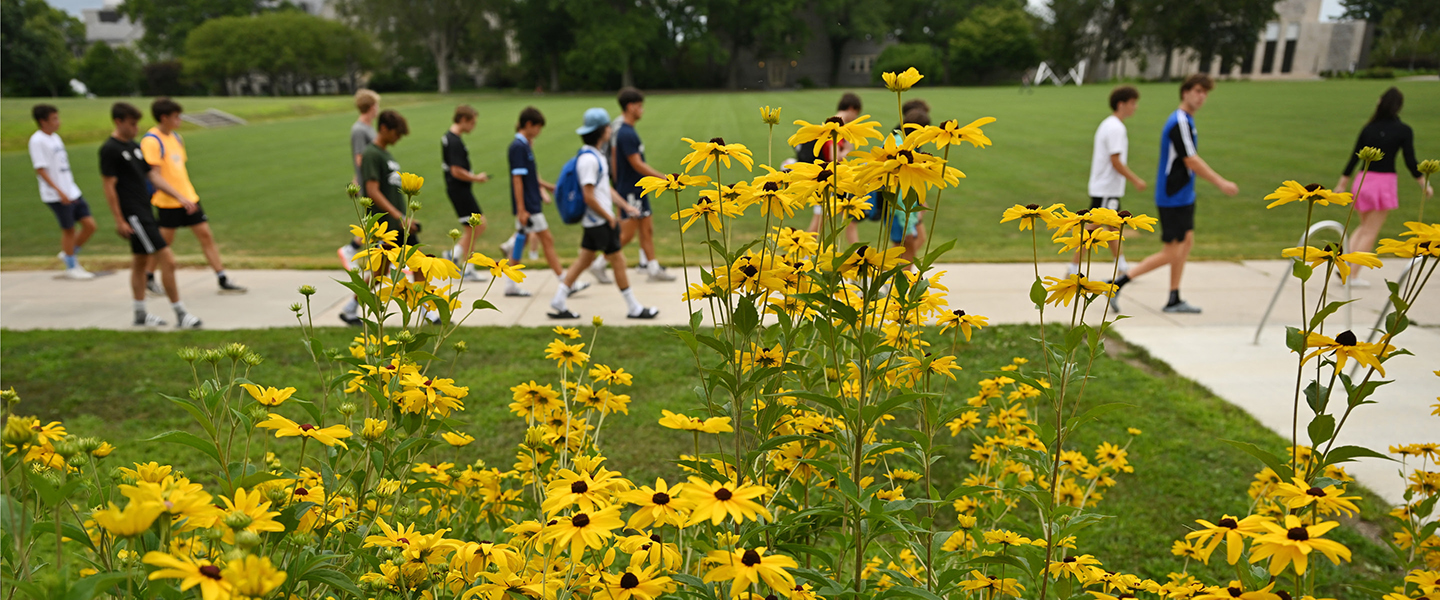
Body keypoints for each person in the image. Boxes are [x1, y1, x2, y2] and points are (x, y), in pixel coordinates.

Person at [1111, 74, 1238, 314]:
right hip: (1173, 196)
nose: (1202, 97)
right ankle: (1119, 283)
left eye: (1205, 93)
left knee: (1186, 243)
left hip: (1184, 195)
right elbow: (1191, 160)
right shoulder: (1179, 121)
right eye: (1198, 91)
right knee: (1171, 251)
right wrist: (1221, 182)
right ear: (1185, 92)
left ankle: (1174, 297)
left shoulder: (1187, 120)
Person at [99, 102, 203, 328]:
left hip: (145, 209)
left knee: (139, 262)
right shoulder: (110, 150)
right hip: (134, 215)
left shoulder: (134, 147)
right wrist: (119, 219)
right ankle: (181, 313)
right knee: (168, 260)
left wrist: (180, 197)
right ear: (118, 122)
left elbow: (153, 177)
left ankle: (140, 313)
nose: (136, 128)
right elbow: (109, 187)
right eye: (132, 124)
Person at [549, 108, 657, 320]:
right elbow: (589, 196)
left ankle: (559, 300)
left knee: (584, 260)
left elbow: (604, 189)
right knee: (618, 260)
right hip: (598, 221)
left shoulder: (595, 156)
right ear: (602, 131)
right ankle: (634, 308)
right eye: (608, 127)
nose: (610, 130)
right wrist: (609, 218)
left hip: (595, 221)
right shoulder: (589, 160)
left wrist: (625, 206)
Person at [141, 98, 247, 294]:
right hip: (168, 202)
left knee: (206, 235)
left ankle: (221, 277)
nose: (179, 120)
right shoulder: (151, 141)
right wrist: (178, 197)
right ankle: (148, 276)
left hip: (189, 198)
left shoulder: (177, 138)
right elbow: (154, 175)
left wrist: (187, 196)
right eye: (176, 117)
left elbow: (179, 169)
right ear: (164, 118)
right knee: (164, 243)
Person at [1335, 86, 1433, 286]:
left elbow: (1354, 157)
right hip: (1384, 183)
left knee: (1363, 227)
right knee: (1371, 231)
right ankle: (1352, 274)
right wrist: (1424, 183)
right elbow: (1409, 159)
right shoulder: (1403, 130)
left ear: (1380, 103)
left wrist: (1342, 183)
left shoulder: (1369, 128)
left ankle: (1343, 266)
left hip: (1363, 180)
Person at [341, 109, 417, 325]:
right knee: (419, 262)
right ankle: (425, 311)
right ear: (384, 128)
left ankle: (351, 307)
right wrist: (398, 215)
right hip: (387, 223)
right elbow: (372, 190)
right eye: (396, 133)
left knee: (384, 269)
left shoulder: (386, 154)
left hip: (398, 221)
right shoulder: (372, 154)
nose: (397, 138)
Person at [504, 106, 588, 297]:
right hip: (528, 204)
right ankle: (565, 281)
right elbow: (517, 179)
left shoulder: (524, 146)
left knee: (521, 241)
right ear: (528, 125)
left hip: (531, 201)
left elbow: (530, 176)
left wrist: (549, 187)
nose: (539, 132)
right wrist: (521, 209)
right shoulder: (518, 147)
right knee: (547, 239)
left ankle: (510, 283)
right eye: (538, 127)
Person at [1069, 85, 1147, 277]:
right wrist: (1135, 180)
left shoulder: (1108, 124)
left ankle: (1121, 266)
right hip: (1106, 188)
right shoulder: (1115, 128)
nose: (1135, 107)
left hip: (1105, 187)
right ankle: (1073, 268)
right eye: (1132, 103)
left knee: (1113, 227)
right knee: (1092, 230)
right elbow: (1115, 161)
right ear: (1121, 104)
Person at [607, 87, 677, 284]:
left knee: (647, 229)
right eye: (639, 106)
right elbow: (636, 163)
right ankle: (597, 263)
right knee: (626, 235)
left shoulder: (625, 131)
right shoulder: (626, 133)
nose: (642, 110)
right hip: (630, 190)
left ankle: (653, 267)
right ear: (630, 107)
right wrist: (664, 178)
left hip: (639, 188)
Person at [29, 104, 97, 280]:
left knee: (90, 225)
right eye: (54, 119)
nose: (58, 122)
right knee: (69, 229)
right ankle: (71, 266)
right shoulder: (37, 141)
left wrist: (68, 188)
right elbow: (41, 170)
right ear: (42, 121)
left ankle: (68, 253)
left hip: (72, 190)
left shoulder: (55, 138)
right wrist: (59, 191)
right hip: (57, 194)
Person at [805, 92, 865, 244]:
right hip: (828, 182)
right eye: (856, 114)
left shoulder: (827, 125)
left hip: (831, 179)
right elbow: (834, 156)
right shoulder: (836, 128)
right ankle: (804, 255)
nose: (855, 118)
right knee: (819, 222)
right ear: (852, 109)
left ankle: (856, 251)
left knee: (847, 218)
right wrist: (848, 149)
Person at [441, 104, 490, 281]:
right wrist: (476, 178)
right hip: (458, 189)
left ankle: (468, 266)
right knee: (480, 224)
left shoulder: (451, 138)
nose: (473, 127)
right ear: (463, 120)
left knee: (472, 228)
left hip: (458, 189)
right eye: (472, 123)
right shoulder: (454, 140)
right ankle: (453, 254)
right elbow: (456, 170)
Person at [339, 89, 381, 270]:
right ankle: (351, 249)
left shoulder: (368, 128)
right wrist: (360, 178)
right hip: (369, 181)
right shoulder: (359, 130)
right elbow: (360, 157)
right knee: (374, 219)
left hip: (372, 178)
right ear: (372, 107)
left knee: (374, 220)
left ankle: (360, 250)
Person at [890, 106, 930, 267]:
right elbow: (901, 183)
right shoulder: (905, 147)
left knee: (911, 244)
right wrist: (907, 215)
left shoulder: (898, 140)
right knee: (907, 246)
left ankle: (894, 276)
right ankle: (894, 278)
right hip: (901, 207)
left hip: (903, 204)